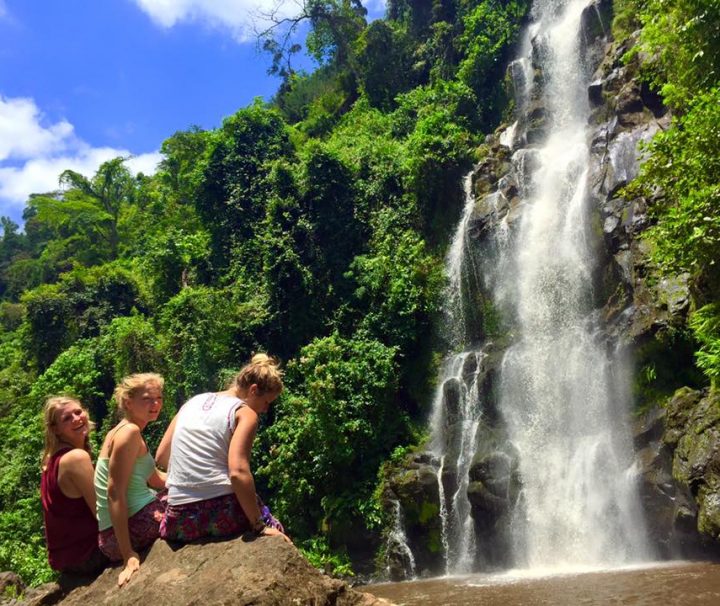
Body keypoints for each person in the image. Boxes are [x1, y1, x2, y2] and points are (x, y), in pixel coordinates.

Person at [157, 354, 290, 543]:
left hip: (177, 519)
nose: (265, 409)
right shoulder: (245, 413)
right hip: (220, 513)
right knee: (274, 528)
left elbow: (162, 456)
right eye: (266, 402)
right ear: (253, 390)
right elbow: (237, 472)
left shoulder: (192, 402)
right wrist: (259, 525)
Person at [94, 373, 167, 587]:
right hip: (130, 528)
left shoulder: (121, 431)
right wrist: (128, 554)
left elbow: (155, 479)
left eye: (159, 398)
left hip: (117, 532)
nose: (155, 404)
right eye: (147, 399)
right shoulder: (129, 432)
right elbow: (114, 492)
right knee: (201, 505)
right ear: (128, 402)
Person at [40, 396, 107, 576]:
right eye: (66, 418)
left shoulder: (51, 459)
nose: (77, 418)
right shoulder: (75, 457)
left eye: (78, 412)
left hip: (68, 560)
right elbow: (103, 512)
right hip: (88, 554)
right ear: (55, 429)